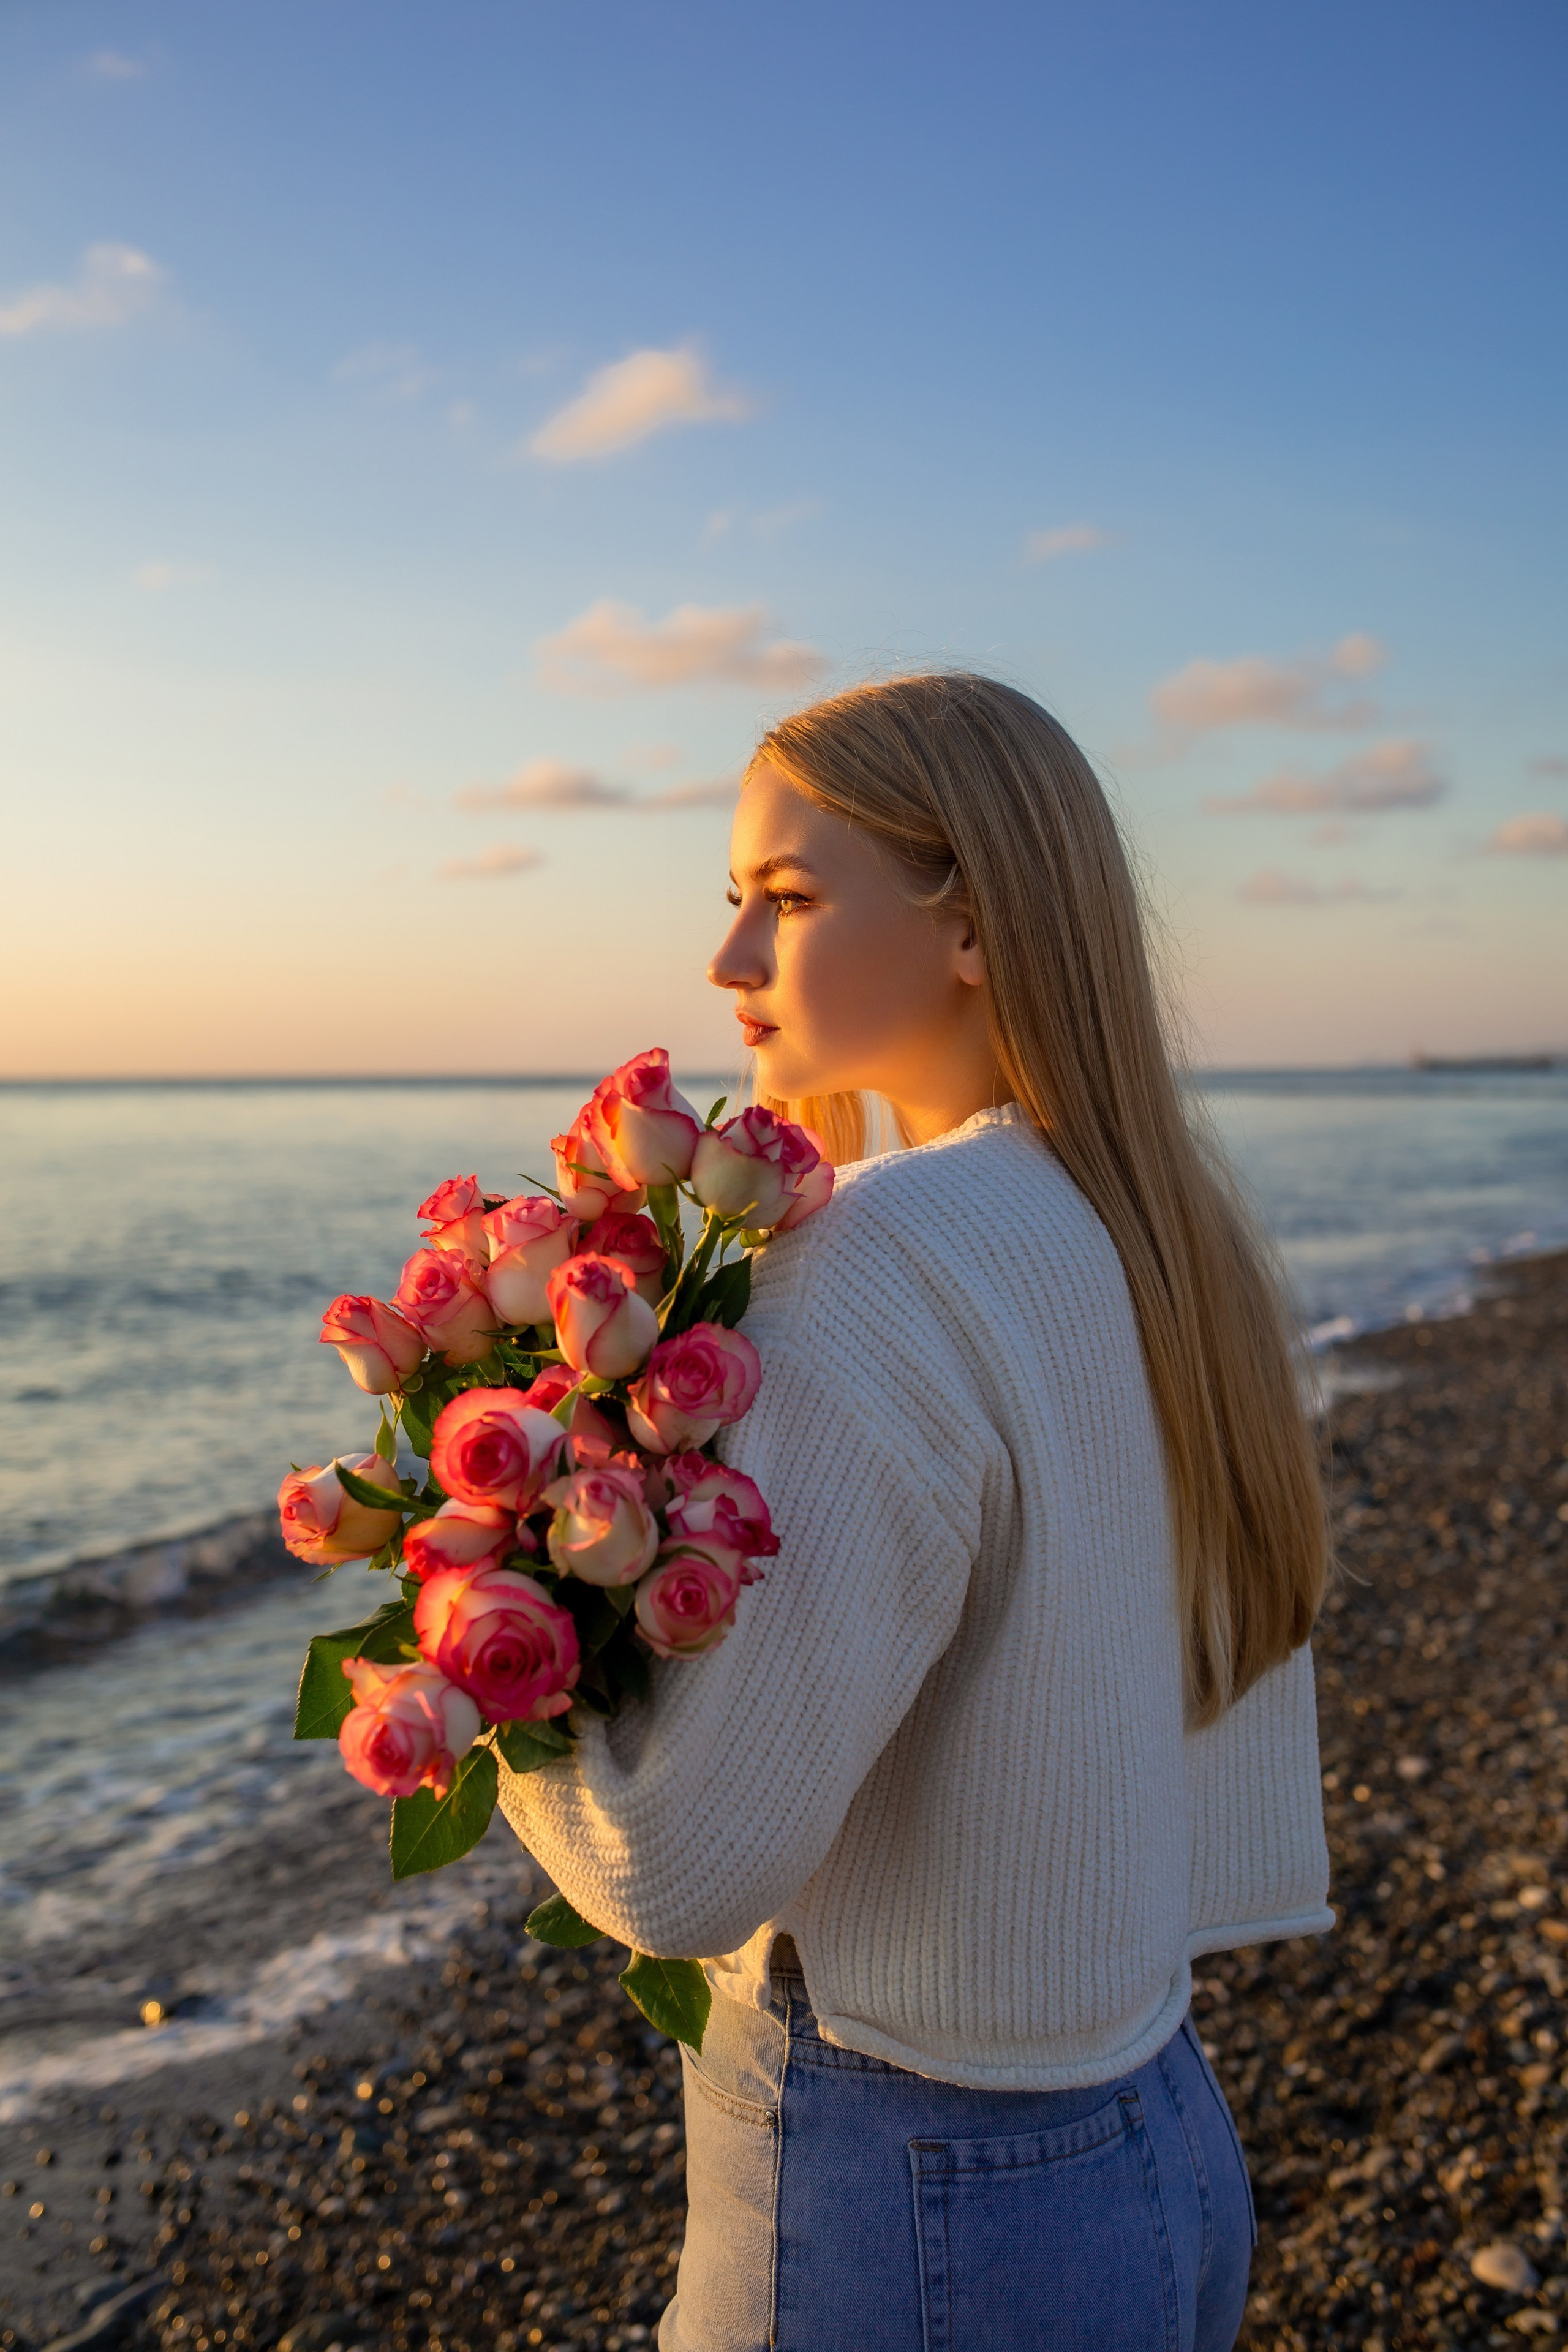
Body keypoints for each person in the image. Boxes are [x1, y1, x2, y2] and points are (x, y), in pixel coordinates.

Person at [499, 673, 1333, 2352]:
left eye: (789, 900)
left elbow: (679, 1873)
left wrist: (470, 1653)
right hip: (1154, 2124)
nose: (731, 963)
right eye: (732, 902)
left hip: (922, 2188)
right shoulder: (1163, 1227)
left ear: (975, 925)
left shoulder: (885, 1256)